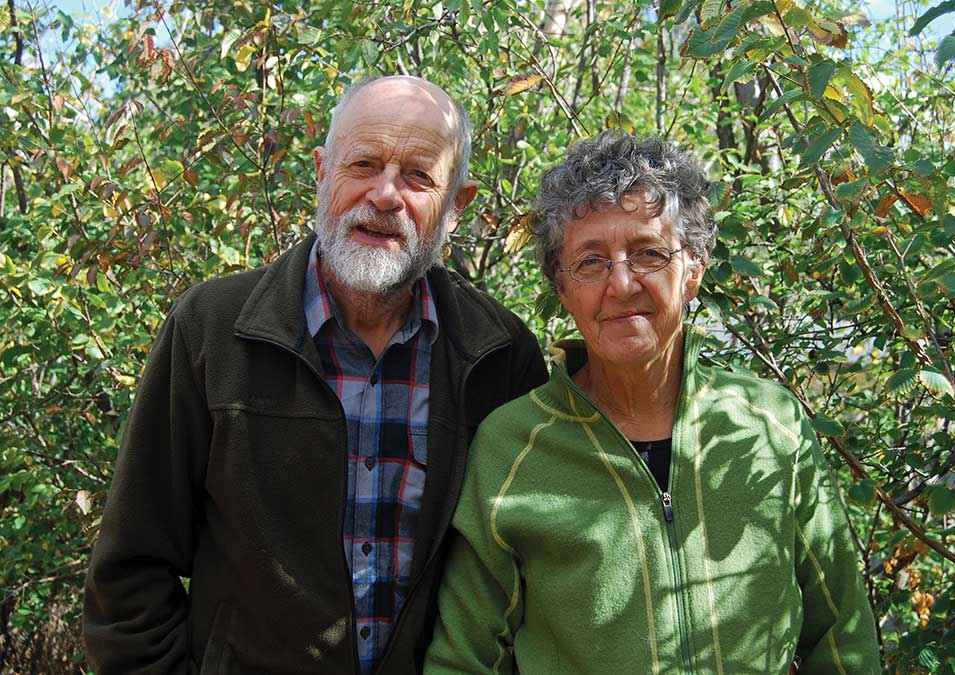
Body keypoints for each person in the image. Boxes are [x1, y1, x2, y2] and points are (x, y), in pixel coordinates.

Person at [83, 75, 547, 674]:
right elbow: (129, 573)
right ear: (321, 173)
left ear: (457, 207)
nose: (385, 195)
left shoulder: (499, 356)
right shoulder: (211, 330)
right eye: (363, 164)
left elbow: (524, 580)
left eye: (418, 176)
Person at [424, 131, 881, 674]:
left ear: (694, 269)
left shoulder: (768, 426)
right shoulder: (512, 448)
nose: (621, 284)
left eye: (648, 254)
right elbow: (464, 659)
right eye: (590, 262)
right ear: (562, 288)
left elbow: (842, 634)